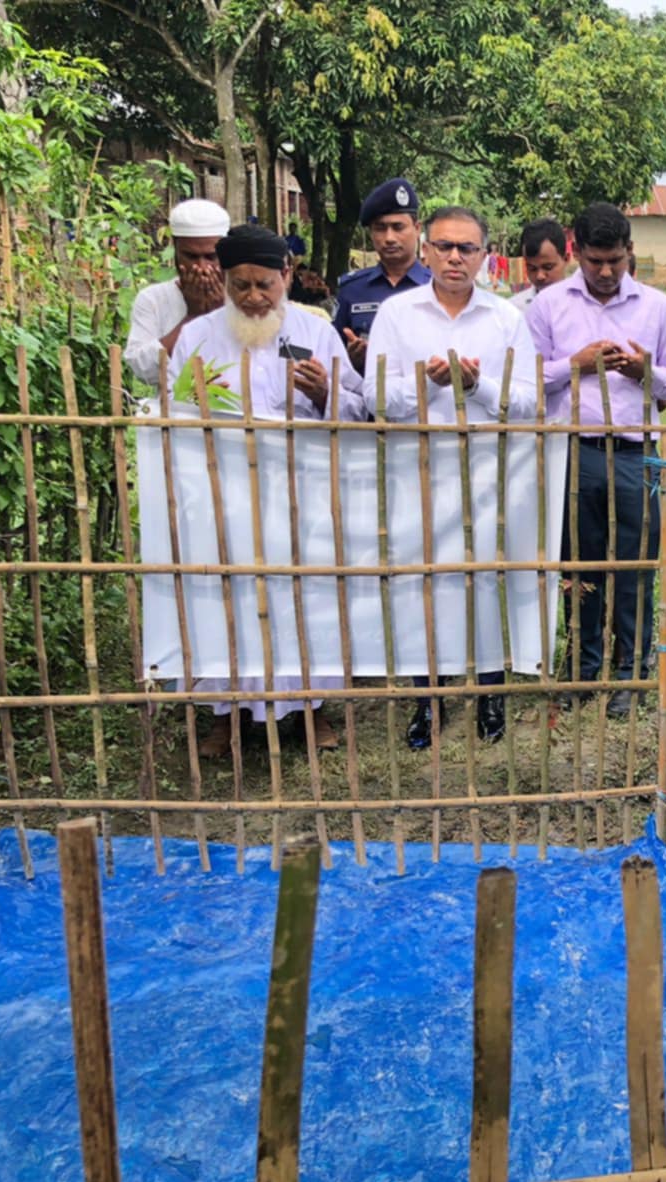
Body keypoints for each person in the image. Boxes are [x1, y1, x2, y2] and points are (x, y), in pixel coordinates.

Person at [168, 223, 366, 760]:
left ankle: (311, 709)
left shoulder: (314, 331)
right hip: (223, 490)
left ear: (286, 276)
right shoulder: (199, 336)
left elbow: (356, 406)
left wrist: (326, 392)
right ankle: (223, 716)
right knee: (224, 598)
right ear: (225, 282)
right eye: (241, 286)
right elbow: (172, 409)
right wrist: (196, 406)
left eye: (264, 285)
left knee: (304, 595)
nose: (254, 298)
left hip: (298, 492)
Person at [364, 205, 542, 749]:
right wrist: (432, 385)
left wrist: (477, 387)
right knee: (423, 582)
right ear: (426, 250)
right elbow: (376, 397)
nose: (455, 257)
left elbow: (529, 402)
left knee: (484, 581)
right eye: (444, 246)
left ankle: (489, 692)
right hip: (416, 471)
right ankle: (428, 700)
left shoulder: (505, 319)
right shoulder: (397, 315)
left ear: (486, 256)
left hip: (487, 473)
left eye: (467, 248)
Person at [525, 202, 666, 717]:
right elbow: (523, 378)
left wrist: (644, 371)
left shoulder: (657, 307)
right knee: (582, 563)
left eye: (615, 259)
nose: (605, 271)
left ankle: (631, 672)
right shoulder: (548, 306)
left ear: (629, 252)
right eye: (596, 260)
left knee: (636, 567)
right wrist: (574, 366)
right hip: (576, 450)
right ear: (576, 250)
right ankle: (584, 667)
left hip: (637, 454)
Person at [122, 198, 231, 387]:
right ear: (175, 251)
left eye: (211, 257)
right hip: (176, 411)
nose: (202, 267)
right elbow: (143, 370)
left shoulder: (243, 297)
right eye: (191, 257)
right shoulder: (153, 299)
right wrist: (194, 317)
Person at [332, 178, 431, 373]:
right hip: (365, 400)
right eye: (380, 228)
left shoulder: (438, 287)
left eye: (398, 227)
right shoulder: (352, 289)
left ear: (417, 228)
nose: (389, 238)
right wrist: (351, 360)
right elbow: (332, 358)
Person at [510, 218, 569, 311]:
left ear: (566, 259)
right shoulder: (514, 310)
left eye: (548, 267)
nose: (540, 276)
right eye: (532, 268)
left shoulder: (584, 307)